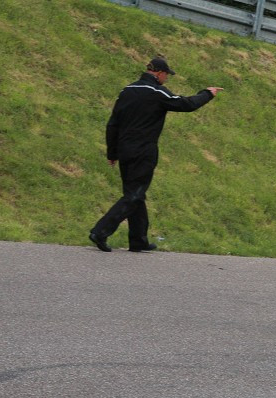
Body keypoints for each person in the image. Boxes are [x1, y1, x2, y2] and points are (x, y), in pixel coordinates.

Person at [89, 56, 223, 252]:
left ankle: (138, 240)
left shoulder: (126, 91)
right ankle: (100, 231)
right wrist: (207, 94)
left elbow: (113, 123)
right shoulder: (156, 92)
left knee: (136, 194)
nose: (166, 79)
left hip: (125, 150)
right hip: (143, 151)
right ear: (160, 73)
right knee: (134, 195)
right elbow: (185, 104)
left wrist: (112, 152)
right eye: (166, 75)